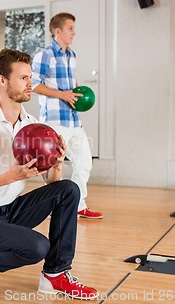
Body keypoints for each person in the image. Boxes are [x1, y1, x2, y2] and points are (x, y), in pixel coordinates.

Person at [0, 48, 98, 300]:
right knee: (37, 247)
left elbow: (51, 184)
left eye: (30, 77)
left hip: (8, 210)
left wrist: (58, 164)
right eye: (23, 78)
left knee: (68, 190)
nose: (31, 84)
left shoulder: (32, 124)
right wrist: (10, 177)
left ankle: (56, 274)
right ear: (2, 80)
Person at [31, 12, 103, 219]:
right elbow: (33, 84)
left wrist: (76, 92)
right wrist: (62, 94)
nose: (74, 32)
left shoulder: (71, 55)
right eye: (70, 28)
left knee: (85, 162)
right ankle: (56, 207)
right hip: (54, 120)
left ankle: (78, 205)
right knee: (54, 166)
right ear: (58, 31)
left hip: (73, 119)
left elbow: (68, 85)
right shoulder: (45, 55)